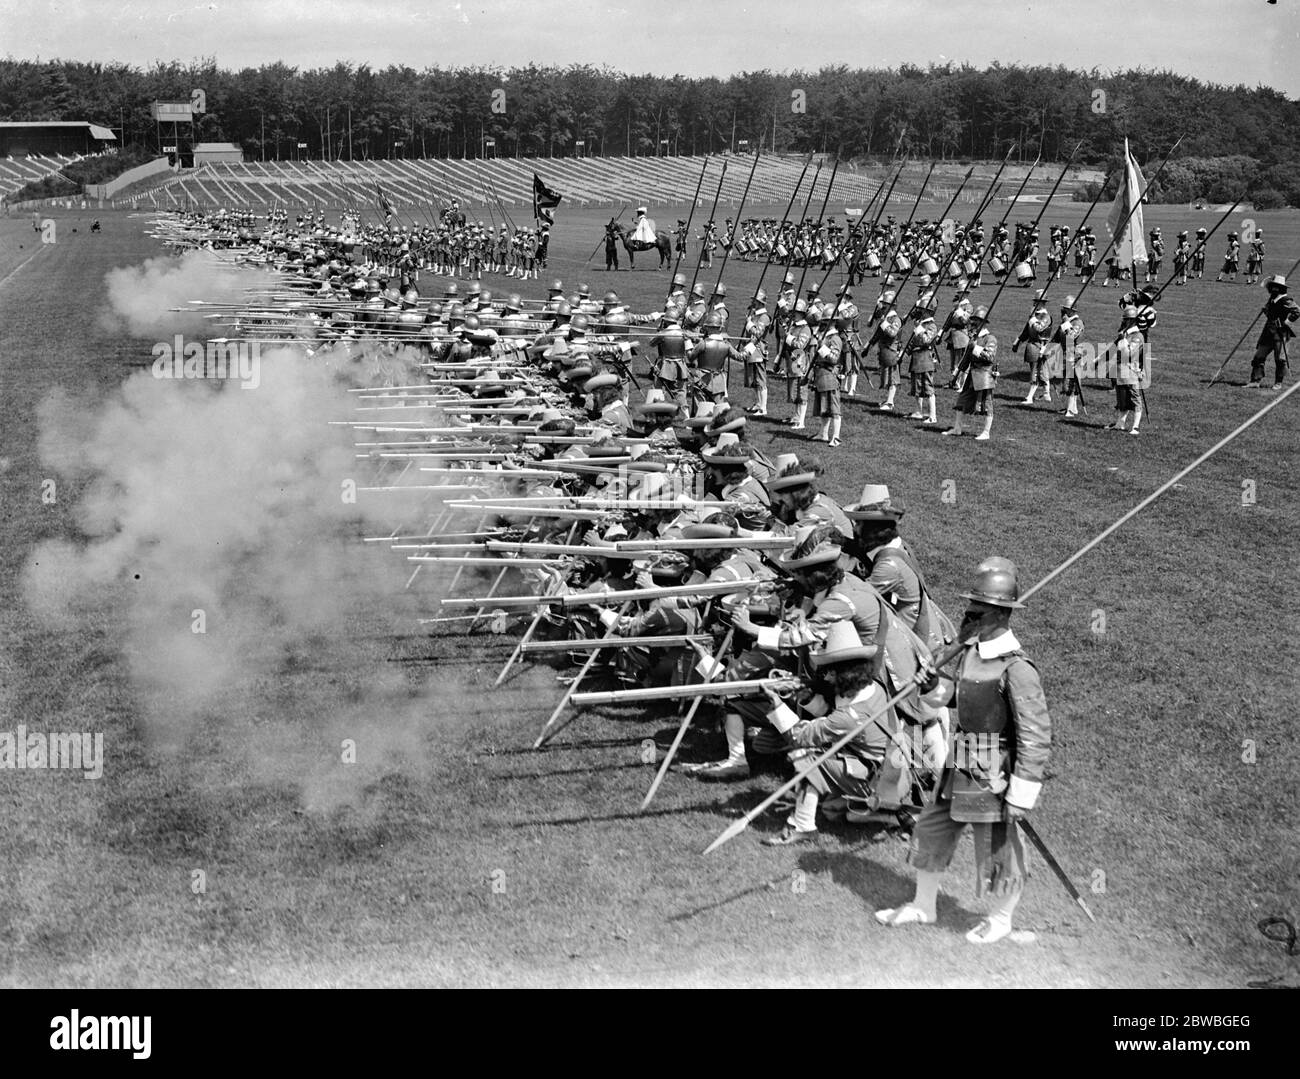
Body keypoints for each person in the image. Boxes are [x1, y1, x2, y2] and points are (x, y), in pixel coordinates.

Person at [875, 557, 1051, 945]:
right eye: (968, 608)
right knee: (930, 829)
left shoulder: (1018, 668)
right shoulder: (974, 653)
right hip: (962, 758)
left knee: (996, 846)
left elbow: (1036, 734)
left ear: (999, 614)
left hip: (993, 765)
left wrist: (1021, 793)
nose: (966, 615)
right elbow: (960, 697)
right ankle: (924, 906)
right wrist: (930, 683)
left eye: (976, 610)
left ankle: (1001, 919)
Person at [758, 622, 890, 845]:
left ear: (845, 674)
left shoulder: (851, 716)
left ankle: (801, 825)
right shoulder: (874, 689)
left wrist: (776, 704)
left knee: (805, 756)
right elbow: (832, 715)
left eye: (830, 671)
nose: (826, 677)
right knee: (830, 809)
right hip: (872, 765)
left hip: (871, 777)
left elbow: (800, 736)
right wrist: (807, 695)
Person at [945, 305, 997, 441]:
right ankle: (957, 428)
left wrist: (977, 348)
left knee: (987, 404)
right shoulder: (973, 338)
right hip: (972, 374)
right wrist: (957, 373)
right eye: (974, 320)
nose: (974, 323)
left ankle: (986, 432)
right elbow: (966, 358)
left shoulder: (990, 339)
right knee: (961, 401)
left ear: (983, 323)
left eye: (978, 321)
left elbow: (990, 357)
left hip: (984, 374)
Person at [1248, 274, 1300, 389]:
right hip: (1268, 332)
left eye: (1276, 287)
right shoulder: (1272, 299)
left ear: (1281, 288)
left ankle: (1278, 383)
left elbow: (1297, 311)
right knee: (1259, 356)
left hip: (1280, 333)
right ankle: (1255, 381)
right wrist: (1266, 311)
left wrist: (1288, 321)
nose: (1273, 289)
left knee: (1280, 359)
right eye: (1272, 286)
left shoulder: (1286, 300)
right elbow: (1271, 315)